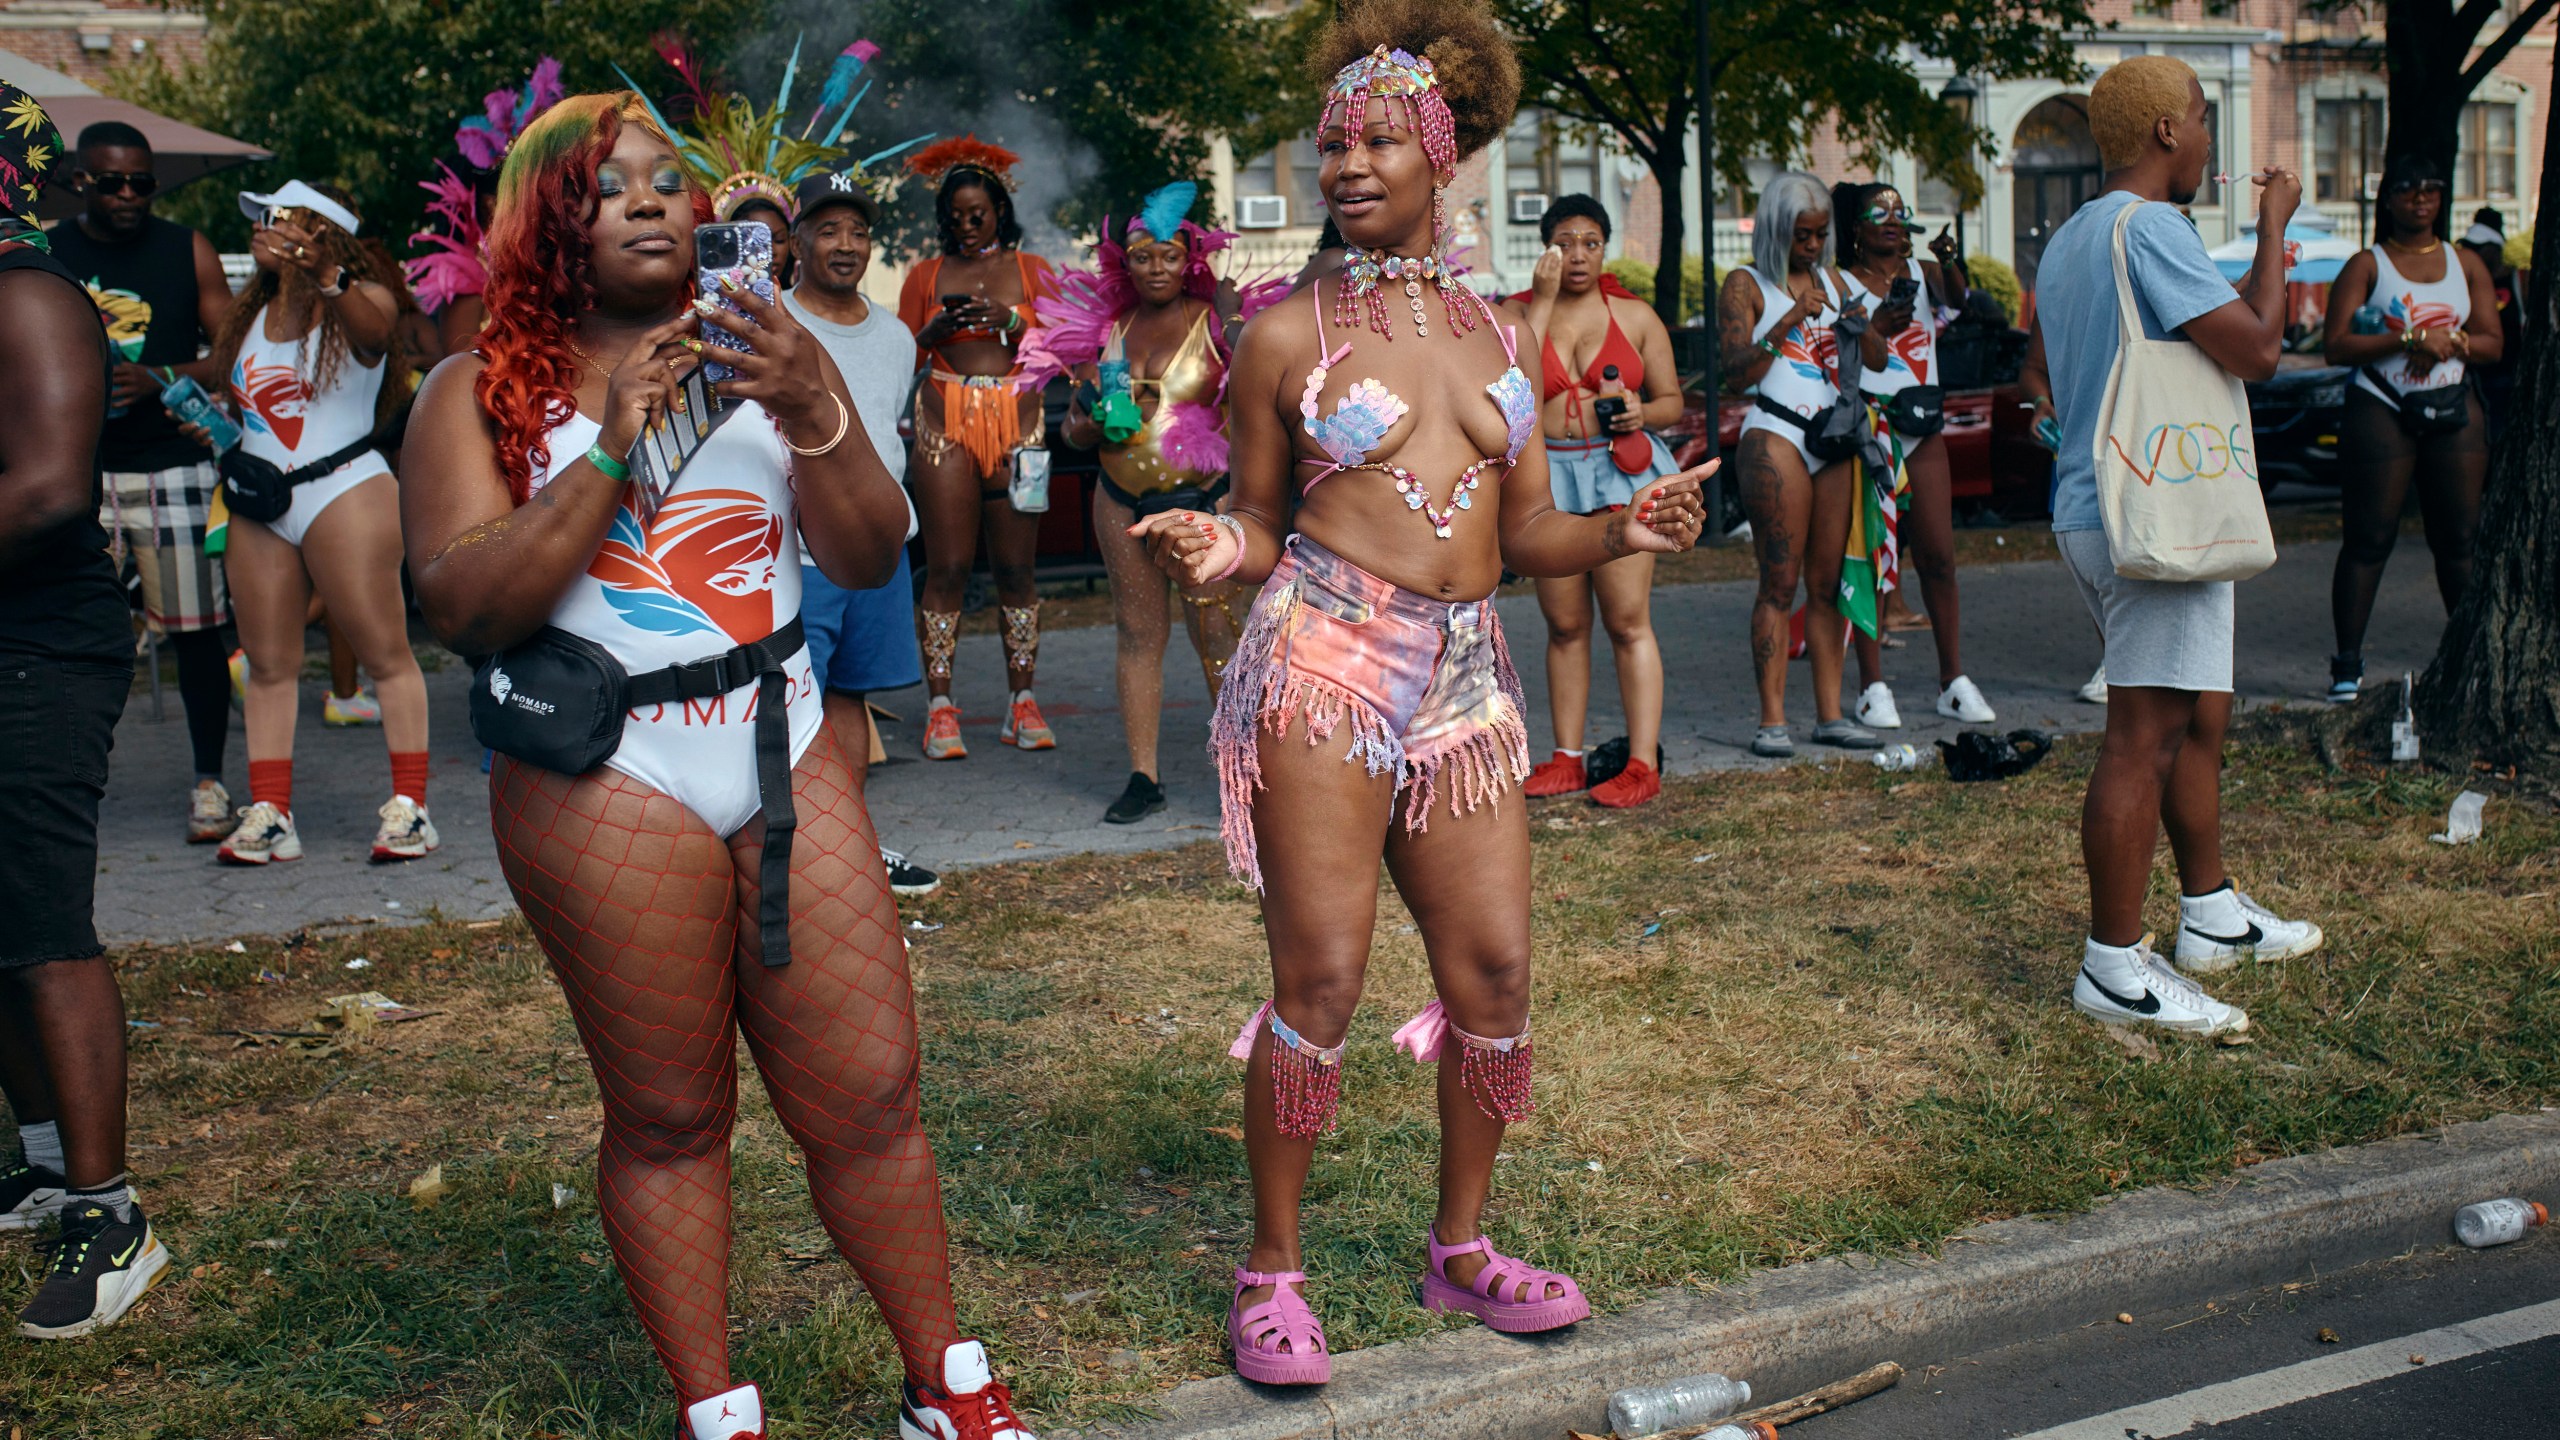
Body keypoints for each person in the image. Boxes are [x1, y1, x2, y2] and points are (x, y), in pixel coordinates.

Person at [399, 93, 1033, 1440]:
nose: (646, 200)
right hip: (605, 771)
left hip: (785, 741)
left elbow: (867, 556)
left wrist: (814, 403)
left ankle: (947, 1387)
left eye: (663, 181)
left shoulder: (766, 346)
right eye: (602, 184)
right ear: (539, 222)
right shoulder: (473, 390)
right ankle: (717, 1410)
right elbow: (463, 605)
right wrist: (617, 439)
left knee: (870, 1094)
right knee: (673, 1117)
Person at [1129, 1, 1708, 1385]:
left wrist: (1628, 528)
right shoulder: (1283, 333)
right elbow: (1264, 517)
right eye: (1335, 144)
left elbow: (1521, 542)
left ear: (1440, 160)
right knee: (1318, 982)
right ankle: (1270, 1272)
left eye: (1383, 140)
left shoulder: (1497, 336)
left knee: (1497, 974)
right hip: (1326, 661)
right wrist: (1222, 541)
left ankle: (1461, 1253)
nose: (1349, 165)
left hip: (1462, 678)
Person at [2026, 55, 2322, 1035]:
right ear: (2164, 131)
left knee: (2193, 717)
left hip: (2101, 500)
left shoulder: (2078, 235)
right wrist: (2274, 228)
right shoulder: (2150, 226)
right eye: (2200, 121)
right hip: (2153, 512)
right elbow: (2260, 349)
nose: (2206, 141)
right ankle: (2113, 968)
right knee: (2142, 735)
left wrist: (2252, 264)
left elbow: (2202, 327)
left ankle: (2208, 916)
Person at [0, 80, 174, 1339]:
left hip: (37, 641)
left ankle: (109, 1212)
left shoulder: (28, 294)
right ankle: (38, 1166)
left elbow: (53, 489)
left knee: (41, 916)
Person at [196, 181, 433, 866]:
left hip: (345, 492)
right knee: (268, 665)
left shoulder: (364, 298)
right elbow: (252, 414)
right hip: (261, 501)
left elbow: (375, 333)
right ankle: (271, 814)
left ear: (318, 234)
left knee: (386, 653)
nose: (261, 229)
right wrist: (208, 425)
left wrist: (327, 276)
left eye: (276, 219)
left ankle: (411, 810)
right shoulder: (248, 316)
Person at [1024, 181, 1278, 823]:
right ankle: (1144, 777)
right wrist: (1086, 424)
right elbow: (1075, 429)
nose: (1156, 267)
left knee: (1218, 635)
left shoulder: (1214, 322)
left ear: (1188, 255)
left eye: (1167, 254)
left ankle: (1247, 776)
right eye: (1142, 256)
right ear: (1124, 261)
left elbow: (1256, 406)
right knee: (1138, 635)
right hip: (1120, 500)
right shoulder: (1111, 328)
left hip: (1201, 503)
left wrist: (1237, 490)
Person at [46, 120, 241, 843]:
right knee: (68, 637)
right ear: (77, 183)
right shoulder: (47, 252)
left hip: (172, 465)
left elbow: (230, 358)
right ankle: (63, 791)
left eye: (142, 182)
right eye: (112, 182)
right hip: (74, 474)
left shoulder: (185, 248)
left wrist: (157, 377)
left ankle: (209, 783)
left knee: (196, 633)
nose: (129, 195)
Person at [784, 167, 942, 898]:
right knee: (795, 706)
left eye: (857, 231)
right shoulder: (772, 324)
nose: (845, 245)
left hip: (878, 552)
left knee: (850, 699)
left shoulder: (897, 336)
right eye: (827, 229)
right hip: (799, 552)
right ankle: (790, 854)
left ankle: (847, 853)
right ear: (797, 239)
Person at [1514, 195, 1683, 807]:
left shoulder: (1635, 316)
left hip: (1619, 475)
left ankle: (1642, 763)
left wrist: (1644, 410)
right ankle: (1567, 758)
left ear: (1605, 247)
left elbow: (1672, 402)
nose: (1577, 254)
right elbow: (1513, 388)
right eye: (1564, 242)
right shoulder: (1520, 313)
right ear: (1546, 249)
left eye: (1590, 241)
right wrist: (1541, 302)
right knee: (1564, 624)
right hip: (1552, 477)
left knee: (1628, 620)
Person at [2317, 160, 2503, 705]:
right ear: (2388, 200)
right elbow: (2336, 344)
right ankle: (2346, 667)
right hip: (2382, 407)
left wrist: (2451, 342)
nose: (2420, 200)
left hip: (2453, 407)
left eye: (2430, 190)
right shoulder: (2367, 265)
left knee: (2459, 542)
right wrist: (2409, 340)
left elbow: (2492, 342)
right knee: (2369, 540)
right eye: (2407, 190)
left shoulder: (2464, 262)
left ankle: (2469, 663)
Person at [898, 137, 1060, 759]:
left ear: (999, 211)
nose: (967, 225)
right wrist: (929, 332)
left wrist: (1011, 318)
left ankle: (1023, 702)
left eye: (979, 213)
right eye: (956, 215)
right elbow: (902, 357)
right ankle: (941, 708)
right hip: (945, 417)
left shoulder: (1033, 271)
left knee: (1018, 570)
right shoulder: (925, 276)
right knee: (948, 570)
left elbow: (1067, 346)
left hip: (1020, 425)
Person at [1718, 172, 1883, 756]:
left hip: (1833, 436)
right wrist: (1791, 318)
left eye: (1819, 235)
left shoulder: (1835, 281)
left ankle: (1832, 715)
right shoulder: (1747, 284)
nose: (1812, 247)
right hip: (1775, 434)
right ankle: (1772, 721)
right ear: (1775, 230)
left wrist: (1864, 326)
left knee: (1827, 583)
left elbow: (1878, 356)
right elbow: (1735, 373)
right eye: (1801, 236)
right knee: (1779, 581)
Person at [1831, 180, 1998, 728]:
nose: (1893, 219)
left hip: (1922, 426)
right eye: (1879, 212)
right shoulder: (1839, 283)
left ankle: (1953, 680)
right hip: (1869, 428)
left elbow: (1959, 301)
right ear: (1855, 227)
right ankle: (1871, 686)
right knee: (1877, 560)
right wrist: (1875, 327)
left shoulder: (1922, 275)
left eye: (1900, 211)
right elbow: (1836, 356)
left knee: (1939, 557)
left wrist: (1949, 260)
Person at [2458, 208, 2523, 432]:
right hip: (2472, 373)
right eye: (2469, 247)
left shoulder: (2517, 279)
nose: (2472, 253)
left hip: (2508, 375)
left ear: (2495, 249)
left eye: (2479, 248)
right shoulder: (2464, 282)